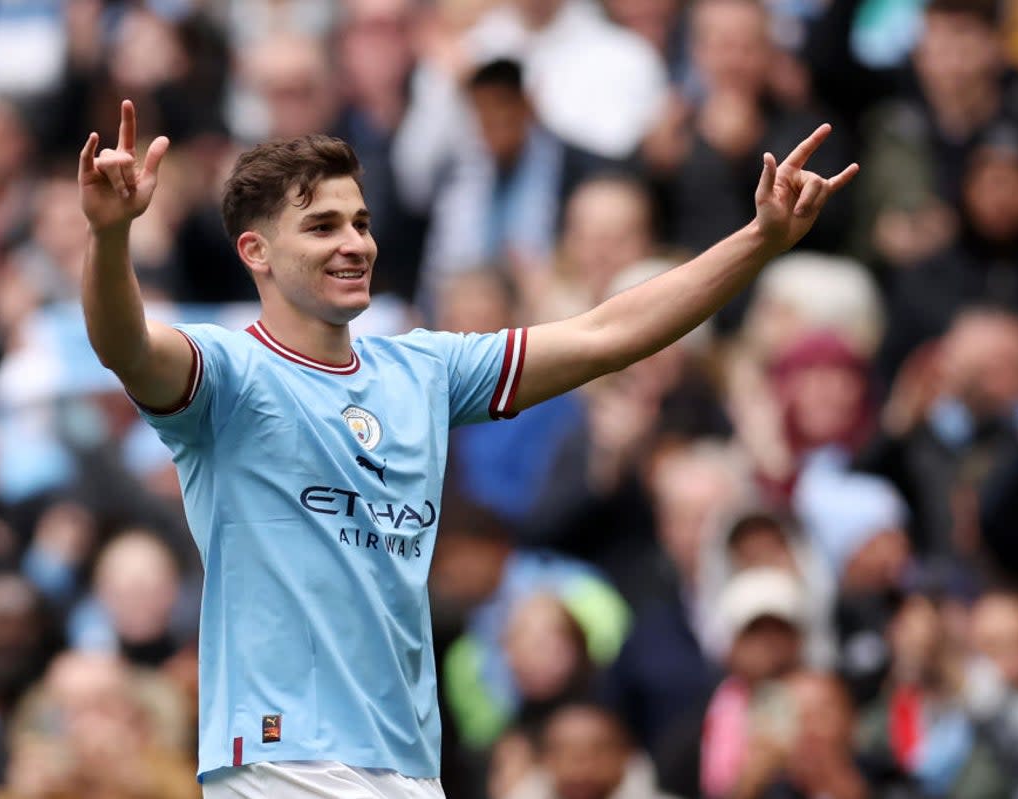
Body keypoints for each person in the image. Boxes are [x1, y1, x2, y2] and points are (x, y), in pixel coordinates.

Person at [76, 98, 856, 798]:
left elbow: (608, 334)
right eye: (322, 226)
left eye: (360, 222)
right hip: (284, 763)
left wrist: (759, 241)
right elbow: (123, 344)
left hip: (409, 766)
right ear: (256, 252)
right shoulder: (228, 374)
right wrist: (110, 237)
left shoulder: (423, 370)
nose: (354, 243)